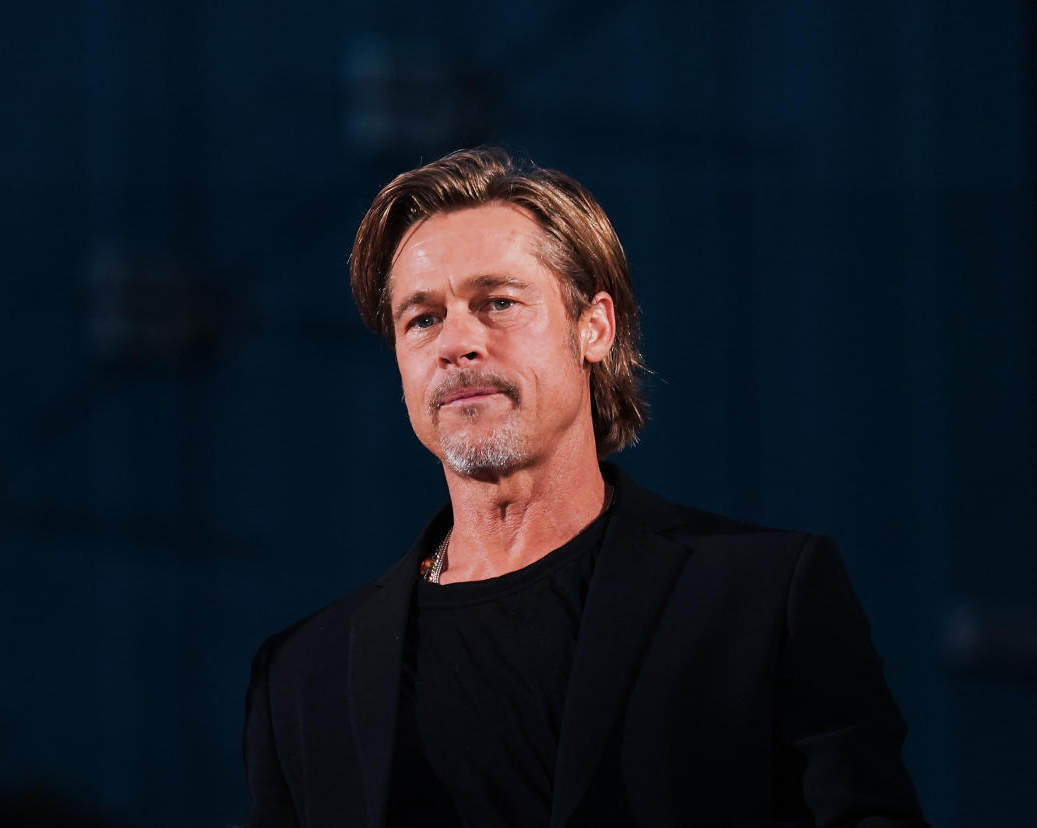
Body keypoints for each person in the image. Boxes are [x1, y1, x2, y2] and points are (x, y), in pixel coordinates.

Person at [243, 147, 926, 827]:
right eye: (422, 319)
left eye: (498, 302)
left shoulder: (763, 597)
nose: (457, 342)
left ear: (593, 327)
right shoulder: (306, 677)